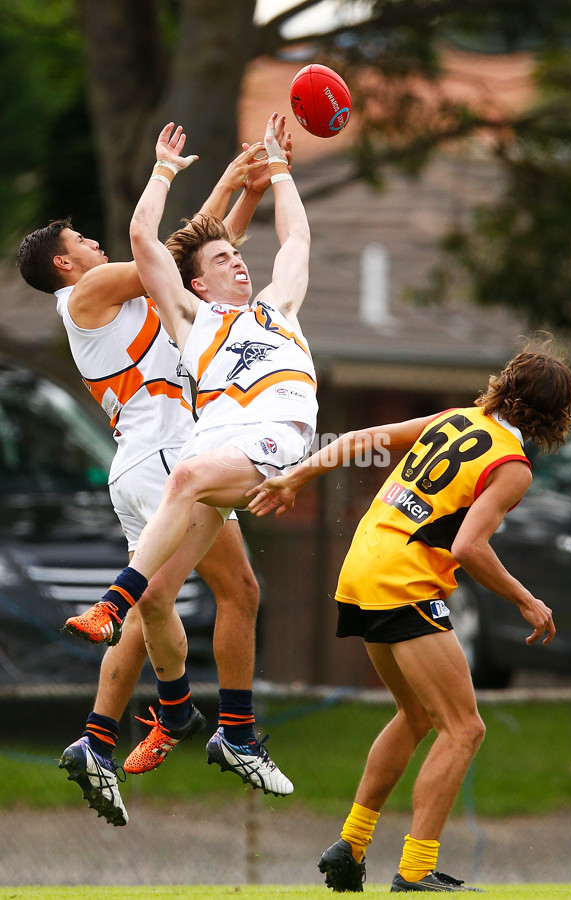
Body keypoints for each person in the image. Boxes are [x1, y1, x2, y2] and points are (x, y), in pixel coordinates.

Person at [15, 127, 291, 825]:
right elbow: (159, 253)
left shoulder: (119, 303)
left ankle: (105, 738)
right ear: (63, 263)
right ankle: (228, 729)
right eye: (81, 241)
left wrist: (243, 192)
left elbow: (203, 262)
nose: (93, 245)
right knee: (234, 592)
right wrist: (217, 178)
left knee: (153, 602)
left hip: (146, 466)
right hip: (169, 462)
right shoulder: (85, 295)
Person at [247, 341, 571, 893]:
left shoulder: (457, 418)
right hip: (402, 580)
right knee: (465, 728)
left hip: (361, 568)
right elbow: (470, 548)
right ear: (555, 417)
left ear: (506, 384)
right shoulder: (512, 465)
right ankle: (415, 871)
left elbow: (359, 440)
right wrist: (525, 599)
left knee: (417, 715)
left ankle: (351, 846)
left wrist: (295, 478)